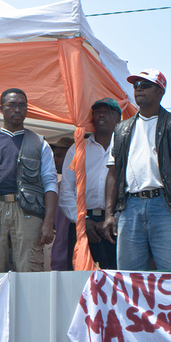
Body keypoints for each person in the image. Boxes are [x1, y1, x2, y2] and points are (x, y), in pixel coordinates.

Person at [102, 69, 171, 271]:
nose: (138, 89)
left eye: (145, 85)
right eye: (136, 86)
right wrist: (109, 214)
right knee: (130, 277)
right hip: (130, 207)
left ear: (160, 91)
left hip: (166, 206)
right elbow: (113, 174)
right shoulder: (121, 129)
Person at [0, 88, 58, 273]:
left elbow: (50, 184)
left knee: (29, 269)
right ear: (1, 108)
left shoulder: (40, 144)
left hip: (28, 213)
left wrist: (48, 222)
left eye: (22, 105)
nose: (17, 109)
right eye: (12, 105)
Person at [59, 98, 121, 270]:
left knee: (115, 275)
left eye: (107, 111)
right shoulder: (78, 149)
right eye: (97, 112)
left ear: (119, 118)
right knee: (80, 277)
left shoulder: (126, 148)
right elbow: (66, 190)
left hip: (116, 224)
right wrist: (83, 221)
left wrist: (114, 218)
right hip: (82, 222)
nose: (101, 115)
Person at [49, 137, 74, 271]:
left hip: (76, 255)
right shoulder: (55, 189)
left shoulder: (83, 189)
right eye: (54, 156)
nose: (55, 160)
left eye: (59, 156)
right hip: (59, 257)